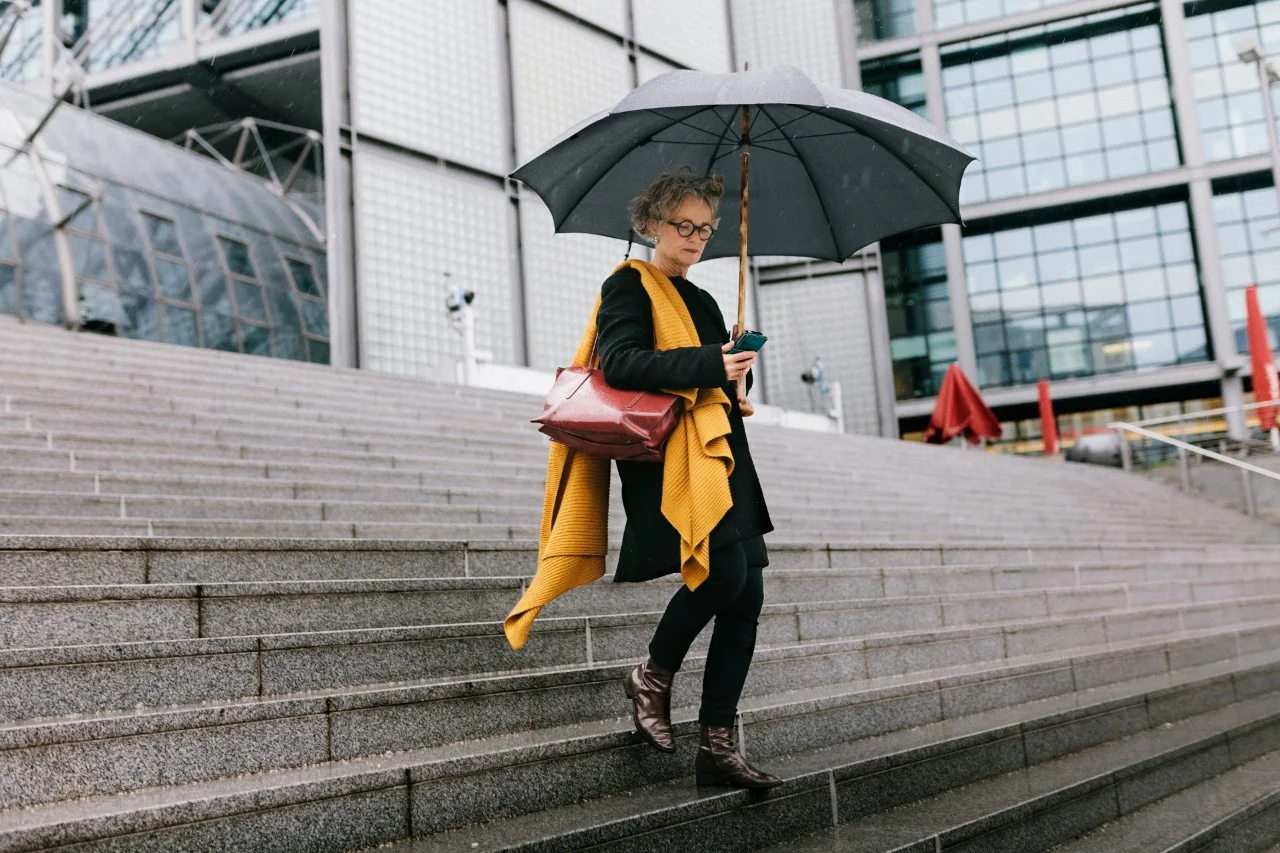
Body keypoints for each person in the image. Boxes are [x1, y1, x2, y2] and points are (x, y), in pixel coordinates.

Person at [596, 167, 780, 789]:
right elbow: (620, 363)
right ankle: (652, 674)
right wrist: (708, 361)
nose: (697, 236)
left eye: (705, 227)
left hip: (722, 452)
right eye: (683, 225)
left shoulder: (703, 300)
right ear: (650, 223)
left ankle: (718, 746)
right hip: (671, 456)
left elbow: (713, 380)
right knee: (724, 573)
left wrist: (736, 368)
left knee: (747, 592)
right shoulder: (628, 287)